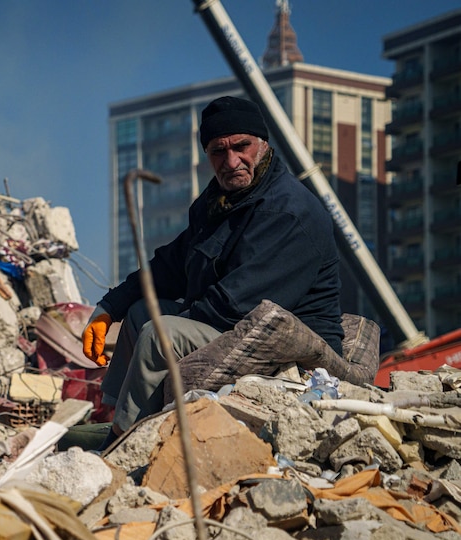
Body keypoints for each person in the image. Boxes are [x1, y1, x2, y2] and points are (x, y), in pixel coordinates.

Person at [83, 96, 344, 448]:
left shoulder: (287, 212)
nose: (232, 160)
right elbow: (172, 264)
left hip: (291, 348)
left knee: (160, 334)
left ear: (263, 145)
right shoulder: (220, 201)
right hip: (240, 328)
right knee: (140, 314)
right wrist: (109, 307)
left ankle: (120, 445)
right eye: (218, 151)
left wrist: (173, 322)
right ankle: (115, 416)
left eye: (242, 146)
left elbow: (238, 304)